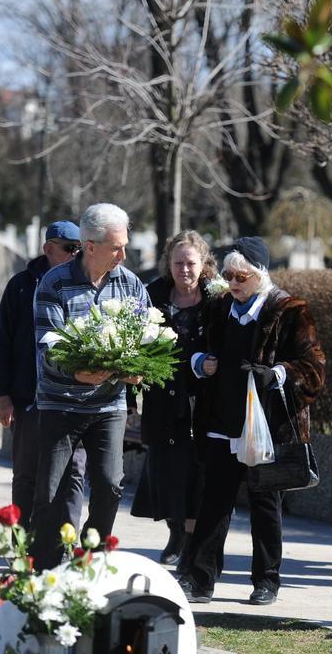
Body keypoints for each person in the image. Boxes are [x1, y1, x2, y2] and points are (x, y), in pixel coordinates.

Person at [179, 237, 325, 606]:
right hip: (221, 421)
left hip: (266, 427)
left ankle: (267, 581)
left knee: (265, 505)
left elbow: (314, 369)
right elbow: (195, 349)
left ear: (259, 274)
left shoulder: (290, 310)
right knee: (214, 503)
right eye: (228, 276)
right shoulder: (220, 308)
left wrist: (276, 373)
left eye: (240, 276)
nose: (233, 283)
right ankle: (200, 580)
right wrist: (201, 362)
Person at [30, 203, 150, 570]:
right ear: (90, 245)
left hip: (108, 406)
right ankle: (47, 568)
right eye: (116, 247)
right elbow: (48, 344)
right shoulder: (55, 283)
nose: (123, 255)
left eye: (124, 246)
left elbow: (147, 336)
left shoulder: (130, 284)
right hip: (60, 402)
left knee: (111, 483)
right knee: (51, 492)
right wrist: (76, 372)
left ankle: (90, 562)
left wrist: (137, 368)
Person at [0, 220, 86, 529]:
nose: (76, 255)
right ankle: (24, 547)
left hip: (74, 400)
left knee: (73, 475)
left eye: (81, 249)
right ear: (48, 249)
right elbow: (1, 342)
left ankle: (67, 547)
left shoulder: (86, 284)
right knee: (27, 474)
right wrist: (2, 394)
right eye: (70, 249)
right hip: (31, 400)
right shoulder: (20, 285)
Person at [130, 230, 216, 567]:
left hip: (201, 404)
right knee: (165, 475)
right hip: (163, 402)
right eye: (178, 262)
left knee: (197, 477)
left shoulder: (215, 299)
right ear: (168, 263)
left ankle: (191, 545)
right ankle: (175, 533)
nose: (184, 269)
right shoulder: (152, 295)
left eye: (191, 263)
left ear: (203, 264)